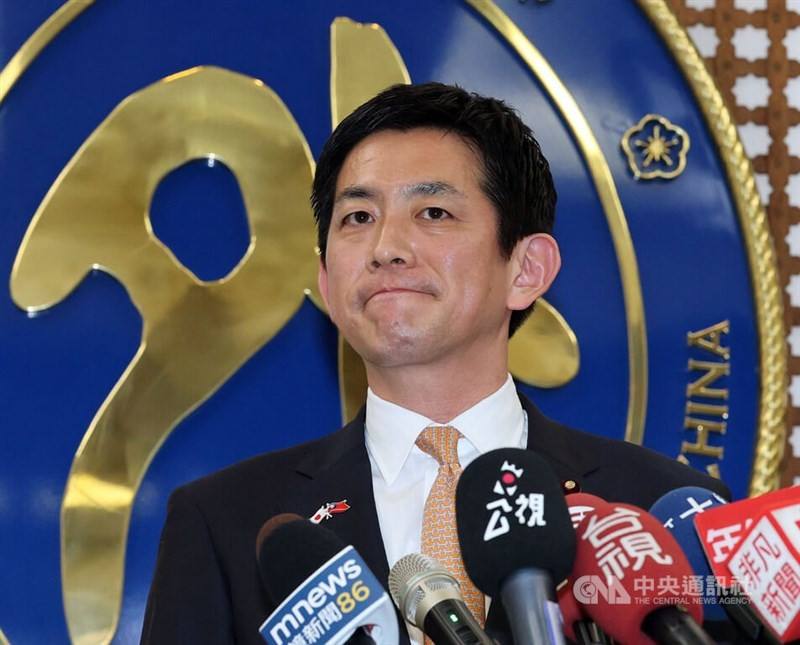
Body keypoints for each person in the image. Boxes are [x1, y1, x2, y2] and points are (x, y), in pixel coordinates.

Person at [141, 83, 729, 644]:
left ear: (526, 270)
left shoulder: (660, 509)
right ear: (325, 283)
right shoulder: (227, 525)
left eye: (433, 213)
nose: (386, 248)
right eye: (358, 218)